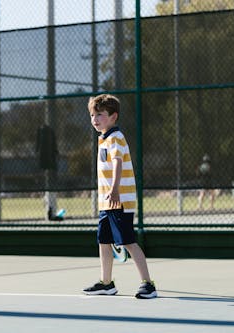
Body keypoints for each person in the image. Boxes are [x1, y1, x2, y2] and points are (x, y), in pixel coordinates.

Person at [82, 94, 157, 299]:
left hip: (120, 200)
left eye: (100, 115)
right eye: (92, 115)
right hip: (107, 202)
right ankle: (106, 283)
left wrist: (114, 189)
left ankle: (148, 284)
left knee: (128, 242)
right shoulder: (103, 138)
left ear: (113, 116)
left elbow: (118, 163)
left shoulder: (116, 137)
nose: (95, 119)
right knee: (103, 241)